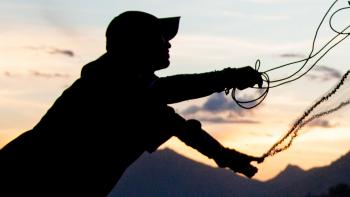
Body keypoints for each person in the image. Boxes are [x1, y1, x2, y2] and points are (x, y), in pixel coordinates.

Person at [0, 11, 263, 196]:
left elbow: (176, 123)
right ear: (140, 44)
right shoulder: (110, 83)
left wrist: (223, 156)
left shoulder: (127, 87)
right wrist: (231, 76)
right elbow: (170, 97)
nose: (169, 43)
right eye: (162, 37)